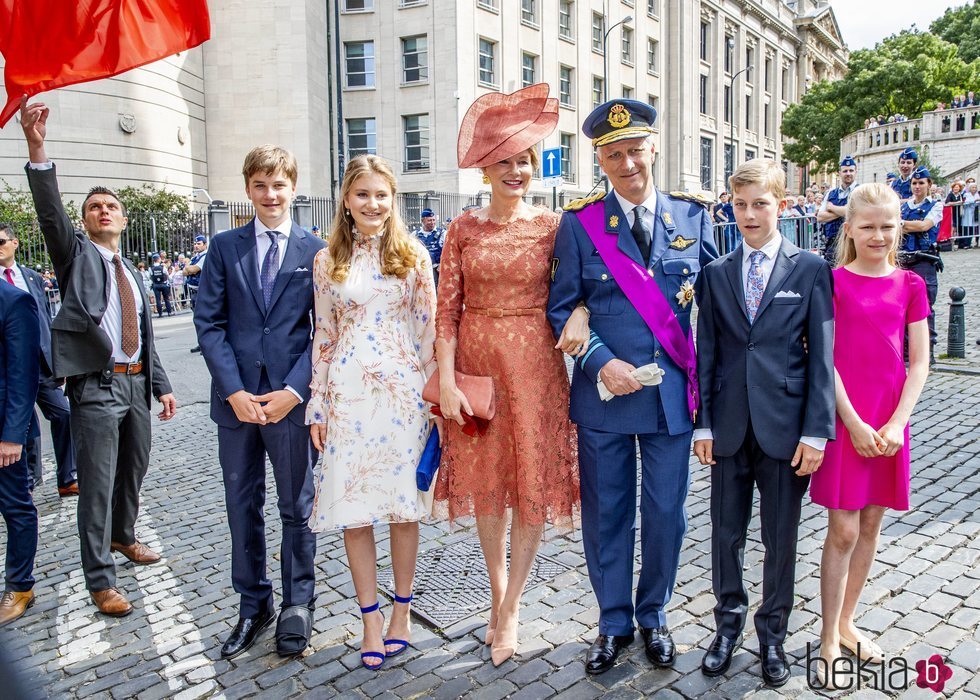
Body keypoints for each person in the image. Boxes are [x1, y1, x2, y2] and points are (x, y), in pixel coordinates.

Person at [548, 98, 718, 676]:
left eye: (635, 151)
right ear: (599, 159)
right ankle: (614, 621)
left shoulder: (694, 218)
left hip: (671, 397)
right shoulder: (580, 223)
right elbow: (561, 306)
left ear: (654, 149)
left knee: (667, 512)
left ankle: (655, 616)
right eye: (613, 154)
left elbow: (720, 312)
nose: (627, 164)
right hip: (606, 397)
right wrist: (598, 362)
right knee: (607, 512)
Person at [436, 84, 584, 667]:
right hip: (476, 369)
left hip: (536, 372)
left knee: (530, 486)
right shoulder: (462, 230)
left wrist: (583, 311)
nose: (516, 171)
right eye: (505, 163)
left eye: (523, 161)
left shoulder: (554, 227)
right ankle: (498, 590)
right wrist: (446, 380)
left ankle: (512, 606)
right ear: (485, 170)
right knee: (489, 485)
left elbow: (582, 287)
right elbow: (447, 308)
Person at [20, 97, 177, 617]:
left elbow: (146, 335)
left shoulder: (131, 270)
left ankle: (124, 536)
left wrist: (161, 384)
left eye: (110, 206)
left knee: (133, 469)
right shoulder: (76, 256)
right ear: (85, 222)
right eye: (94, 208)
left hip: (135, 385)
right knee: (97, 484)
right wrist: (37, 147)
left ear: (124, 219)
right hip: (95, 386)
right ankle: (100, 581)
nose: (102, 211)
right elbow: (48, 213)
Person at [694, 159, 835, 687]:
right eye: (740, 204)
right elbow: (706, 351)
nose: (749, 214)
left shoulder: (810, 269)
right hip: (728, 428)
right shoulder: (716, 273)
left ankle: (772, 633)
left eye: (760, 203)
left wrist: (816, 431)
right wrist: (703, 424)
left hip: (785, 430)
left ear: (782, 203)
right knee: (726, 534)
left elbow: (823, 357)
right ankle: (726, 626)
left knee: (781, 538)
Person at [306, 155, 437, 671]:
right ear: (346, 198)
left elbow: (428, 333)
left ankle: (402, 611)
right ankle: (370, 620)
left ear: (393, 198)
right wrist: (317, 400)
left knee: (404, 508)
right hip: (346, 394)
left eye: (382, 194)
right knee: (353, 511)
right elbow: (324, 333)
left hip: (403, 398)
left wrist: (434, 399)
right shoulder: (326, 261)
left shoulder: (414, 256)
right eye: (363, 194)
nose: (373, 204)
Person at [194, 145, 325, 659]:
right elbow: (209, 323)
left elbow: (324, 332)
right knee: (242, 506)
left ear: (294, 188)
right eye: (260, 186)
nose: (270, 195)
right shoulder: (225, 247)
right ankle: (253, 604)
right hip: (237, 404)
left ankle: (298, 603)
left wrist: (295, 392)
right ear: (248, 189)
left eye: (279, 185)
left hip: (289, 402)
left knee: (297, 505)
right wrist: (234, 391)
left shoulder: (315, 250)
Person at [809, 184, 930, 689]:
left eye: (886, 226)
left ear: (898, 228)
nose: (878, 235)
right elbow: (826, 358)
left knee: (872, 525)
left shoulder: (910, 285)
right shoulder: (831, 283)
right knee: (843, 530)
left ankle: (847, 622)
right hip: (847, 419)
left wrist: (897, 422)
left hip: (889, 422)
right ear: (849, 229)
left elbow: (919, 361)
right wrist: (855, 424)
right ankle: (827, 636)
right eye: (868, 226)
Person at [0, 223, 77, 497]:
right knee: (25, 426)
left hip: (41, 364)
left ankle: (67, 478)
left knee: (64, 414)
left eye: (1, 241)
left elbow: (46, 320)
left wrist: (59, 362)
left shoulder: (30, 277)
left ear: (15, 243)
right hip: (9, 369)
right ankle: (29, 483)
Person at [0, 281, 40, 627]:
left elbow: (22, 374)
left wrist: (13, 436)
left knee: (15, 506)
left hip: (2, 432)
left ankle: (20, 585)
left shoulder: (14, 301)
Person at [899, 166, 943, 365]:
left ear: (929, 185)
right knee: (902, 307)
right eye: (914, 183)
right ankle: (906, 352)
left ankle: (928, 352)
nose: (917, 186)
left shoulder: (935, 205)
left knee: (925, 307)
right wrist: (906, 224)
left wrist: (903, 224)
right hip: (904, 259)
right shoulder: (905, 206)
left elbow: (925, 225)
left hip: (925, 259)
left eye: (921, 183)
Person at [817, 156, 858, 263]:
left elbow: (856, 212)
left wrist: (832, 208)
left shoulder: (860, 191)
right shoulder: (831, 193)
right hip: (832, 243)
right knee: (831, 276)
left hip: (853, 242)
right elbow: (820, 217)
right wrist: (845, 210)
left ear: (856, 172)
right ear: (839, 173)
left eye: (851, 170)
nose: (848, 173)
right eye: (845, 171)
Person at [184, 236, 207, 353]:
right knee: (197, 319)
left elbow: (193, 270)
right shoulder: (195, 257)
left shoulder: (205, 256)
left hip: (201, 291)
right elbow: (184, 272)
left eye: (199, 243)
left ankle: (206, 345)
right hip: (193, 291)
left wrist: (188, 266)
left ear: (205, 244)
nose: (196, 245)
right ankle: (201, 342)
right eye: (195, 243)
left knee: (203, 319)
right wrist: (188, 267)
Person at [414, 208, 446, 287]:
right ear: (423, 221)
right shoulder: (415, 234)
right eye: (429, 220)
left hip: (437, 269)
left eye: (433, 220)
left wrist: (442, 264)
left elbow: (448, 251)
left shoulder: (442, 233)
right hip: (422, 268)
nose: (432, 223)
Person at [946, 181, 967, 249]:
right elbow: (947, 203)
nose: (956, 189)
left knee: (959, 228)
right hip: (952, 213)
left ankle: (960, 243)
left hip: (959, 213)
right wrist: (957, 203)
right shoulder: (950, 194)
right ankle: (951, 243)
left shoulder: (961, 195)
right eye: (955, 187)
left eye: (957, 187)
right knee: (953, 228)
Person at [963, 179, 979, 247]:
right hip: (967, 213)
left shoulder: (977, 194)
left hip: (975, 213)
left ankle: (970, 243)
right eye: (973, 187)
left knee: (973, 229)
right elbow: (966, 202)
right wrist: (974, 201)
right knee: (967, 229)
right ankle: (966, 244)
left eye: (975, 187)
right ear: (970, 188)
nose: (974, 189)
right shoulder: (966, 194)